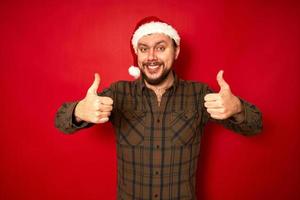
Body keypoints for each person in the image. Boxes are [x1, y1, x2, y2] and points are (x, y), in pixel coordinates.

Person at [55, 16, 262, 200]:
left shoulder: (199, 95)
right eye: (144, 49)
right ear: (137, 54)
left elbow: (255, 126)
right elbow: (61, 122)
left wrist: (237, 108)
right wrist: (78, 111)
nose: (151, 56)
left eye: (161, 48)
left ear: (176, 51)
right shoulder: (119, 93)